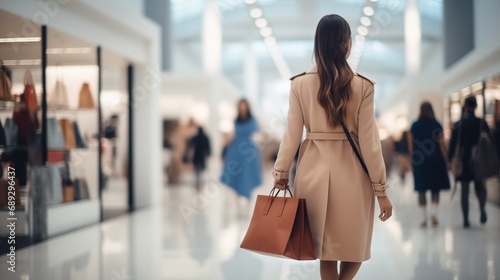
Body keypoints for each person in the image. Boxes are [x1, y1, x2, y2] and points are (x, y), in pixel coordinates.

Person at [272, 15, 392, 280]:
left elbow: (291, 135)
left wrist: (280, 173)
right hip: (353, 175)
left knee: (326, 251)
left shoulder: (299, 84)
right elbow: (370, 143)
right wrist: (381, 190)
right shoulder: (363, 86)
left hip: (311, 172)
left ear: (318, 44)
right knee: (354, 247)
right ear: (347, 44)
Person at [448, 96, 489, 228]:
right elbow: (488, 142)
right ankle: (482, 209)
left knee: (464, 191)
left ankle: (466, 220)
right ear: (476, 106)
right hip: (479, 159)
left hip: (463, 159)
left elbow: (453, 144)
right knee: (480, 186)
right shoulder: (482, 123)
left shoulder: (459, 124)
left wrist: (449, 160)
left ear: (465, 107)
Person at [408, 102, 450, 227]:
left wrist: (413, 158)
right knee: (435, 188)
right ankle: (434, 213)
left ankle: (423, 217)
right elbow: (442, 146)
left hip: (420, 162)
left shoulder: (414, 125)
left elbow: (411, 146)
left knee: (421, 188)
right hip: (436, 161)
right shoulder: (437, 125)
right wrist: (446, 160)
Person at [220, 99, 262, 200]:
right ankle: (238, 204)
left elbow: (257, 135)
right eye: (241, 107)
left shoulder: (253, 120)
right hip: (236, 150)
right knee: (236, 176)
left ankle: (247, 203)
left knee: (248, 176)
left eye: (244, 107)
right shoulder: (236, 120)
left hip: (248, 151)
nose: (242, 109)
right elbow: (232, 134)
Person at [186, 126, 211, 191]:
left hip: (197, 156)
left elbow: (189, 144)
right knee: (200, 171)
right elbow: (208, 148)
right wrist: (208, 154)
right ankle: (200, 184)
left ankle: (198, 184)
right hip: (202, 156)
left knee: (197, 171)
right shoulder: (205, 137)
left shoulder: (196, 137)